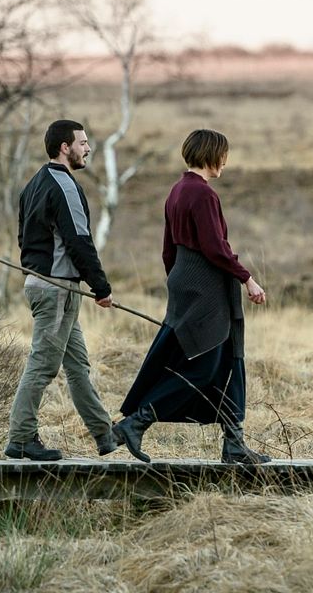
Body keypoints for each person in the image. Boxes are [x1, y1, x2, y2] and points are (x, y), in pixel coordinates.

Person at [113, 129, 270, 465]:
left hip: (187, 284)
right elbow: (216, 248)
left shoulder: (177, 190)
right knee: (203, 368)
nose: (225, 162)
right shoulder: (202, 195)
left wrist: (178, 285)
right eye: (223, 155)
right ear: (211, 154)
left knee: (228, 359)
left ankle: (234, 443)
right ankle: (136, 422)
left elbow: (169, 250)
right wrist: (247, 279)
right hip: (206, 288)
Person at [5, 120, 119, 461]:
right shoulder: (64, 186)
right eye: (82, 143)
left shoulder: (33, 185)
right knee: (43, 364)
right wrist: (101, 287)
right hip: (56, 290)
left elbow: (24, 240)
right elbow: (79, 242)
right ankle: (21, 437)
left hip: (46, 285)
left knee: (77, 365)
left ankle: (104, 434)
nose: (87, 149)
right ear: (64, 147)